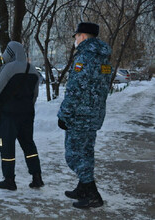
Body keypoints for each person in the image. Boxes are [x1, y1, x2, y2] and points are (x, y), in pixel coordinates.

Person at [57, 22, 112, 208]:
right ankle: (82, 188)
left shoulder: (85, 56)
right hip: (94, 114)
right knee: (86, 152)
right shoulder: (103, 57)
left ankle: (92, 194)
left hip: (80, 115)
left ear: (83, 36)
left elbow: (75, 89)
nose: (75, 39)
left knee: (74, 155)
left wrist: (64, 114)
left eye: (76, 36)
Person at [0, 41, 44, 191]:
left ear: (9, 53)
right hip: (27, 114)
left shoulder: (8, 68)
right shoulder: (32, 69)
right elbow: (35, 95)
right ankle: (37, 177)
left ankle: (9, 180)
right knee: (28, 144)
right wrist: (27, 107)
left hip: (8, 115)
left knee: (7, 146)